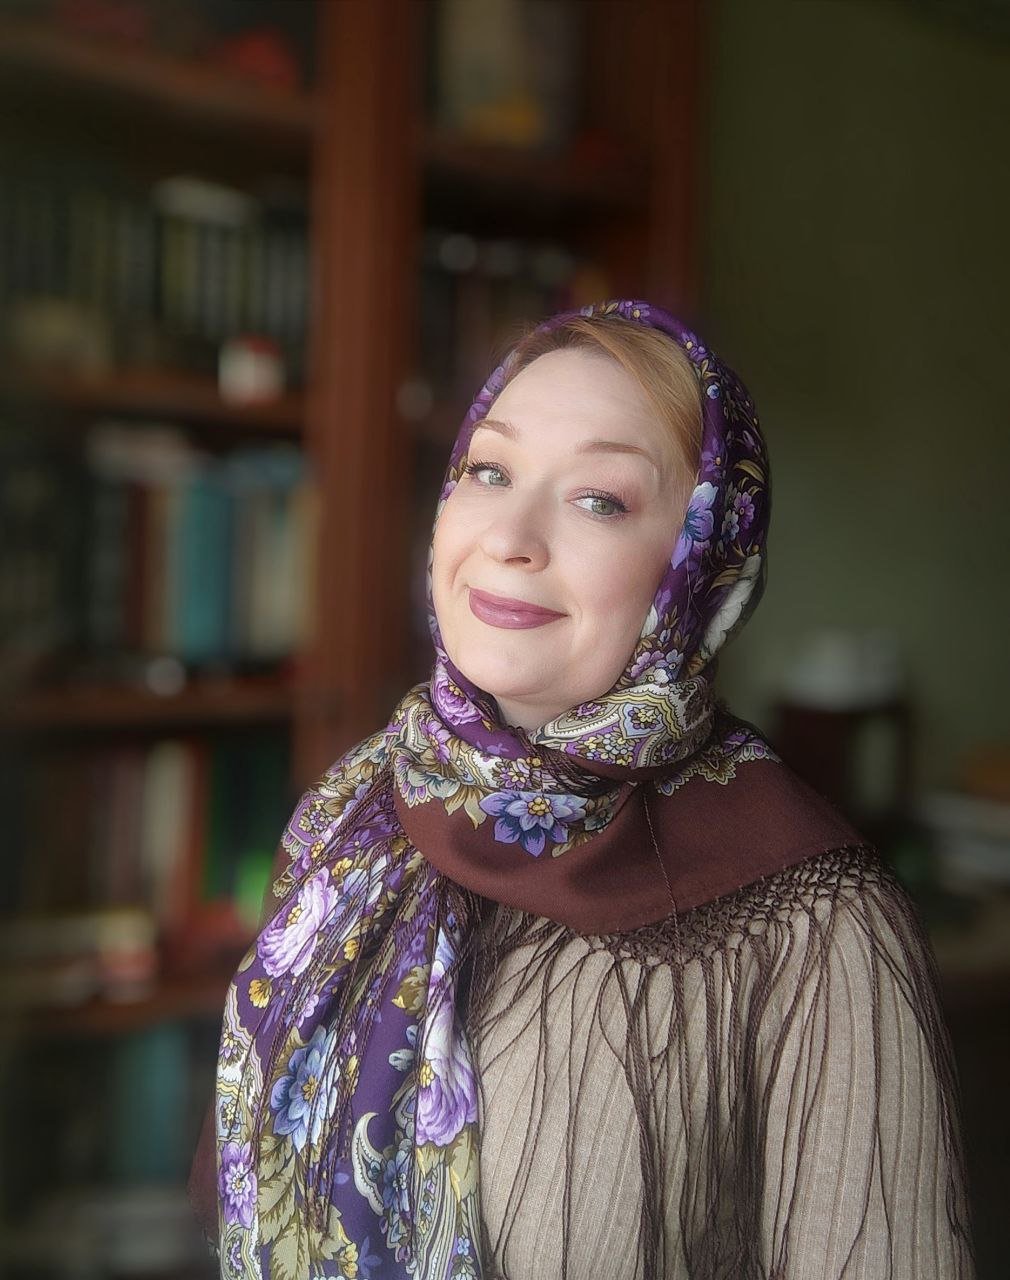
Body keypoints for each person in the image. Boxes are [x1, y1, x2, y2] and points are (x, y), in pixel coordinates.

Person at [189, 299, 974, 1279]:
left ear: (699, 563)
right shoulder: (352, 816)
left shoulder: (814, 921)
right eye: (490, 471)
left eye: (598, 499)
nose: (510, 535)